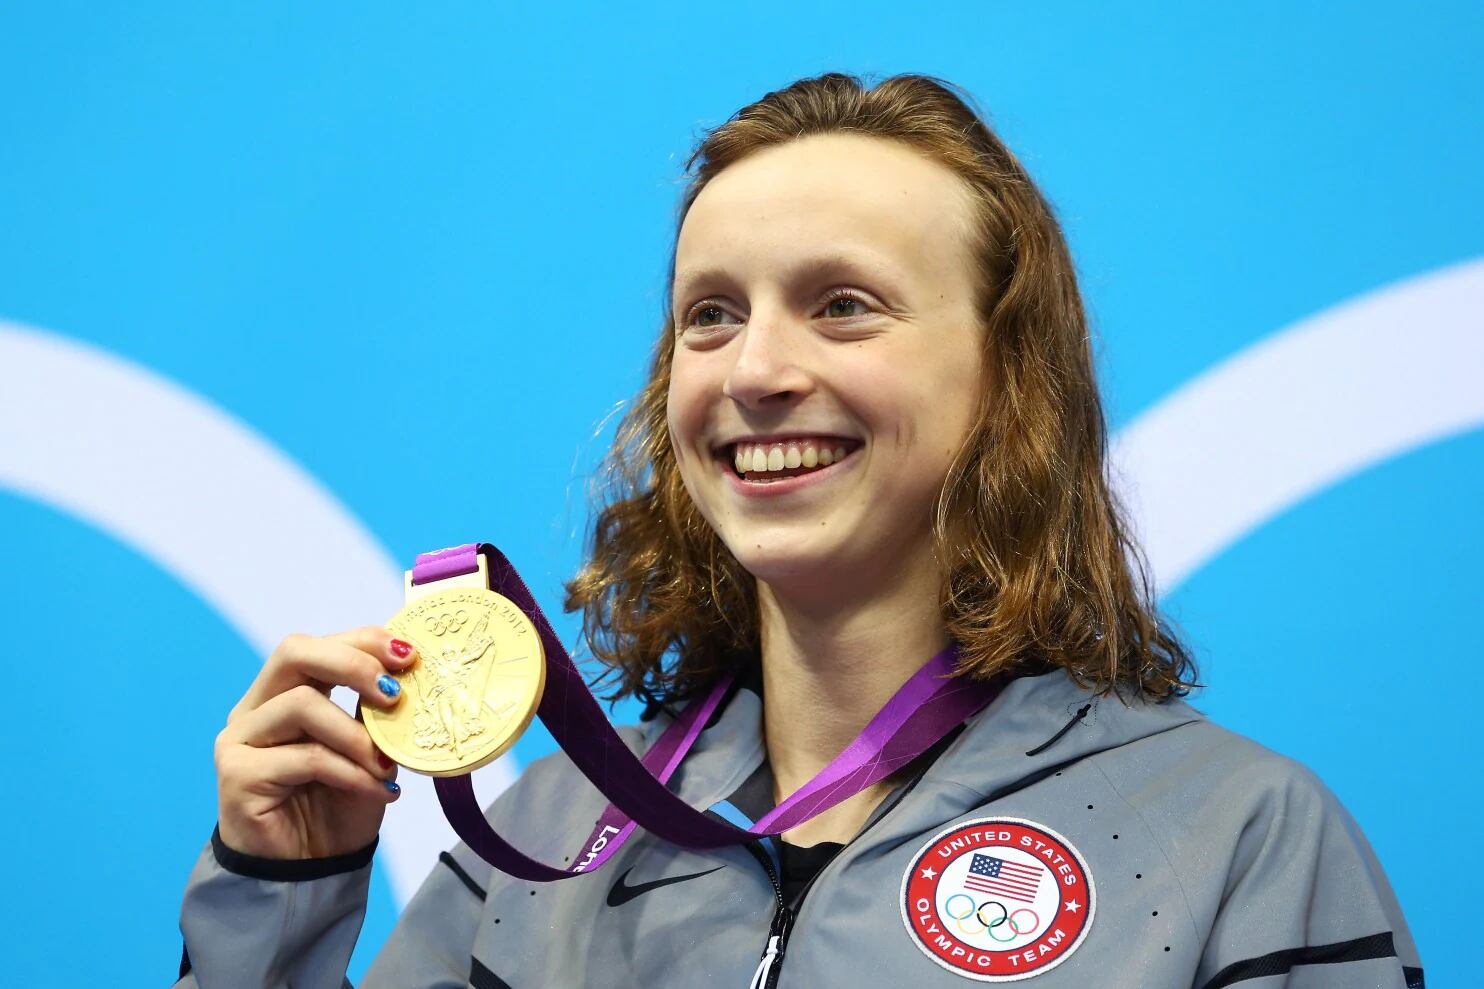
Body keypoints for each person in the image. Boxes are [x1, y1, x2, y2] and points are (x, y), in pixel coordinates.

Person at [174, 72, 1423, 988]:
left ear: (1007, 378)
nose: (755, 368)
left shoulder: (1234, 837)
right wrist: (279, 897)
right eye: (709, 316)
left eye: (841, 305)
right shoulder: (537, 847)